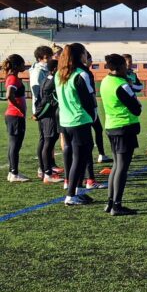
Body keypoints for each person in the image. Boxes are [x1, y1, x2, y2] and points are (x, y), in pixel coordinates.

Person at [101, 54, 142, 216]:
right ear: (120, 67)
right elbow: (136, 109)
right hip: (124, 127)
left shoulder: (105, 81)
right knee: (122, 168)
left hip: (111, 126)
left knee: (116, 166)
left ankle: (110, 202)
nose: (127, 68)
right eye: (125, 65)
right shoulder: (122, 84)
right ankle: (117, 205)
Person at [55, 43, 97, 205]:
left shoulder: (59, 73)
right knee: (79, 159)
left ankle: (77, 191)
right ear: (80, 55)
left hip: (66, 120)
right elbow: (88, 100)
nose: (87, 55)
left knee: (80, 156)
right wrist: (93, 115)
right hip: (79, 120)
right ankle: (71, 195)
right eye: (85, 53)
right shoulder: (81, 74)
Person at [32, 59, 64, 184]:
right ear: (55, 69)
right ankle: (47, 174)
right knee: (48, 143)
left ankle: (45, 170)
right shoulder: (51, 81)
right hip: (48, 117)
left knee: (46, 142)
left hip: (47, 116)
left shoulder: (48, 78)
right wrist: (38, 114)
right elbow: (46, 101)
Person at [82, 52, 109, 189]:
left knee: (78, 146)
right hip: (84, 113)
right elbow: (89, 94)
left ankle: (73, 181)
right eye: (89, 59)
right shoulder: (83, 74)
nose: (91, 61)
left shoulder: (69, 73)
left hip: (75, 115)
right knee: (85, 145)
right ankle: (88, 179)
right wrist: (93, 109)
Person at [30, 45, 56, 178]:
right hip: (42, 109)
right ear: (41, 58)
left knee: (47, 138)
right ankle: (43, 168)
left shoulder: (44, 69)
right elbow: (37, 91)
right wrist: (40, 110)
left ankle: (48, 166)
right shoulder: (38, 71)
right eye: (48, 57)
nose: (50, 59)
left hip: (46, 108)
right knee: (44, 139)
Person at [4, 54, 30, 182]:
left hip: (14, 115)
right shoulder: (12, 78)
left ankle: (12, 172)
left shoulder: (12, 77)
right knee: (15, 144)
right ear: (16, 65)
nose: (24, 66)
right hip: (15, 115)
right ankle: (14, 173)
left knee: (14, 144)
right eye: (22, 64)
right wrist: (19, 108)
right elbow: (9, 95)